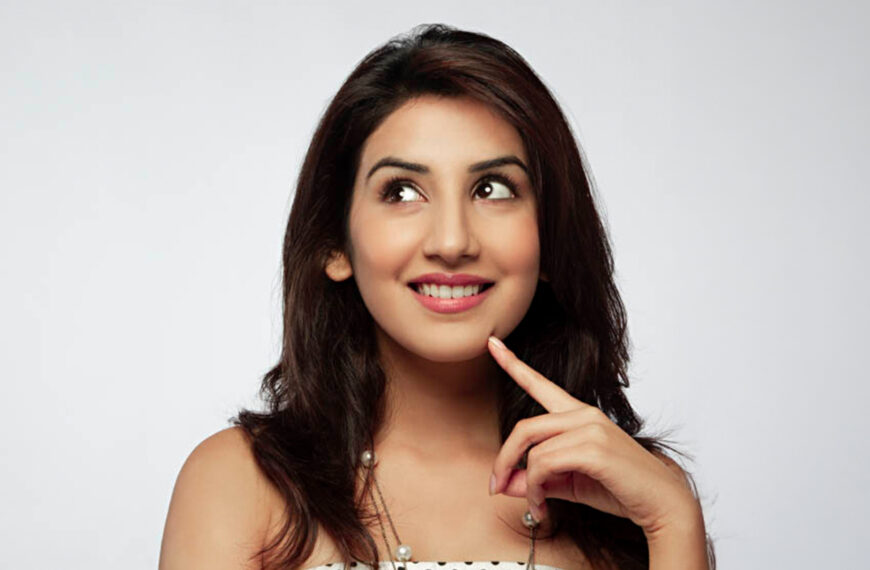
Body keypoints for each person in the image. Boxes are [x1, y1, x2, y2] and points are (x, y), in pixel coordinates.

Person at [159, 23, 715, 570]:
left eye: (492, 189)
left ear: (550, 237)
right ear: (336, 244)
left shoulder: (634, 495)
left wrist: (674, 522)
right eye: (402, 192)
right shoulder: (240, 482)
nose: (452, 242)